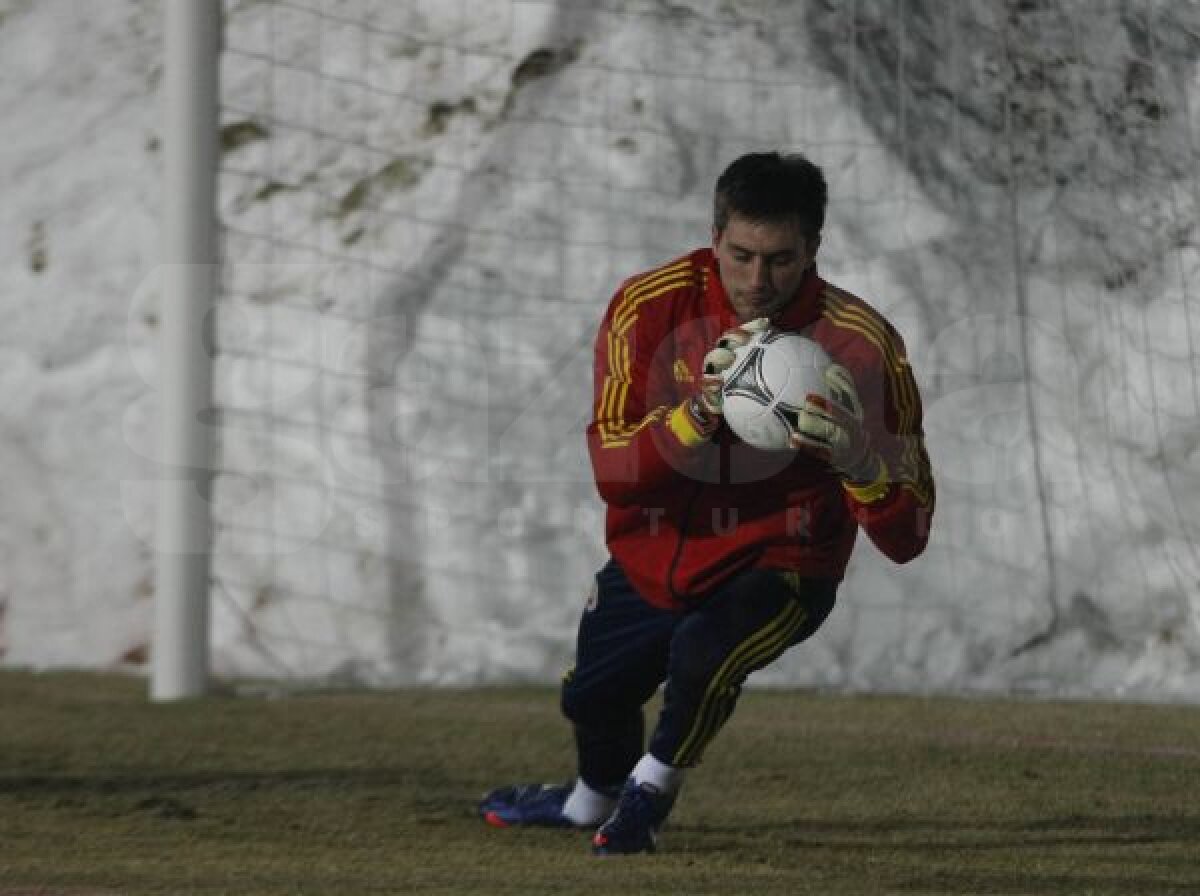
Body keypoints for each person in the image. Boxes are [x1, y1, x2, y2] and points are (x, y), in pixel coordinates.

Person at [478, 152, 935, 855]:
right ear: (714, 236)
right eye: (741, 255)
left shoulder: (863, 346)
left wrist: (860, 465)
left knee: (702, 656)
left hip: (784, 562)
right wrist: (694, 417)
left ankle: (647, 796)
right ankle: (587, 800)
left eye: (781, 260)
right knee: (592, 696)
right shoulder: (648, 305)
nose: (757, 281)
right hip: (652, 552)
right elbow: (613, 470)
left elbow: (910, 532)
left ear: (813, 247)